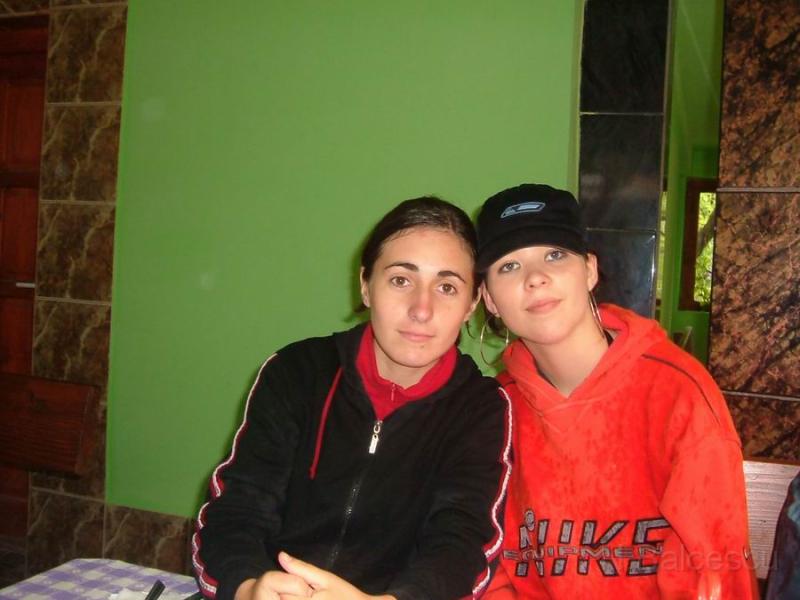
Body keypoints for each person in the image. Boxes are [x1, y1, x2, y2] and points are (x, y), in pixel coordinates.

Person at [192, 196, 512, 600]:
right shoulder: (297, 371)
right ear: (365, 285)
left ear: (472, 303)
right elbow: (237, 508)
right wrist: (247, 587)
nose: (421, 309)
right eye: (401, 280)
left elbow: (462, 543)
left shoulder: (481, 408)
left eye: (447, 287)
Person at [474, 184, 755, 599]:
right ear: (489, 299)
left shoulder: (675, 392)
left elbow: (714, 572)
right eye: (509, 266)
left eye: (555, 255)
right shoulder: (493, 410)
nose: (535, 278)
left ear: (589, 270)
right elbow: (483, 561)